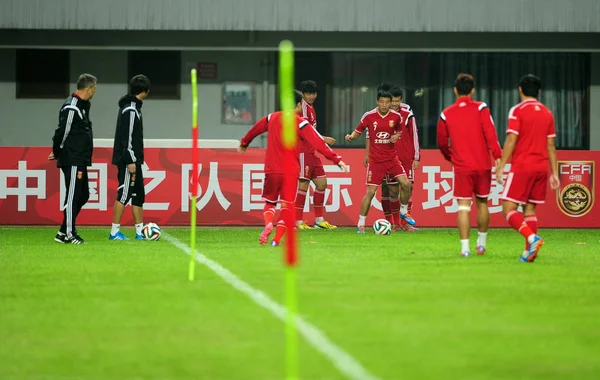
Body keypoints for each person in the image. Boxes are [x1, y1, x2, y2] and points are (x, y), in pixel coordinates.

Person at [238, 91, 348, 246]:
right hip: (291, 171)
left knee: (270, 202)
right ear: (298, 105)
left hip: (272, 169)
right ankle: (276, 240)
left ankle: (268, 223)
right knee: (287, 206)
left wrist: (244, 143)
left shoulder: (272, 118)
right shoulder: (300, 122)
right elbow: (318, 143)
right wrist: (337, 160)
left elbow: (255, 130)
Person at [437, 73, 502, 257]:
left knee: (463, 206)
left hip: (462, 166)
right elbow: (491, 134)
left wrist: (451, 157)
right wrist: (497, 156)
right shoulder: (481, 108)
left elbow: (441, 142)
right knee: (483, 203)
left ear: (455, 90)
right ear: (473, 90)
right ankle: (481, 245)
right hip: (482, 164)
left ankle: (465, 249)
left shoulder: (446, 114)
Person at [496, 74, 559, 262]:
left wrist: (501, 166)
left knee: (507, 207)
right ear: (538, 92)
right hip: (541, 168)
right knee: (529, 211)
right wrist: (554, 173)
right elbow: (550, 146)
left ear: (520, 90)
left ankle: (532, 239)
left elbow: (511, 140)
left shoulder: (517, 110)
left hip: (523, 165)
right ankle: (528, 253)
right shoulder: (547, 113)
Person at [346, 90, 416, 233]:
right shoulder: (369, 116)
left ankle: (403, 211)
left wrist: (396, 136)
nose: (384, 105)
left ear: (391, 103)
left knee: (406, 184)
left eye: (387, 102)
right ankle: (361, 224)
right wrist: (351, 137)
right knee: (370, 192)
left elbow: (399, 130)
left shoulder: (396, 117)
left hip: (392, 159)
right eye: (382, 102)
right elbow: (358, 130)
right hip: (376, 162)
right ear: (377, 102)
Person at [50, 73, 97, 244]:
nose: (95, 92)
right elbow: (62, 132)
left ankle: (63, 232)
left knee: (83, 195)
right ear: (89, 88)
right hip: (73, 158)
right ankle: (70, 234)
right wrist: (57, 151)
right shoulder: (72, 107)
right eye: (94, 88)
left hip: (81, 158)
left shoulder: (83, 106)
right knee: (73, 196)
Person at [109, 74, 151, 240]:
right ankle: (114, 231)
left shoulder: (134, 108)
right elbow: (126, 138)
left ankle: (139, 232)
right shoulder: (131, 110)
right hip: (129, 160)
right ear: (144, 91)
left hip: (135, 160)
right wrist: (130, 160)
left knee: (138, 195)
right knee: (124, 194)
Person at [295, 80, 338, 230]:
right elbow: (306, 132)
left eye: (313, 93)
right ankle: (297, 222)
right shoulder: (303, 108)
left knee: (322, 184)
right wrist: (324, 139)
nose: (311, 96)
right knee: (303, 185)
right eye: (308, 93)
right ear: (303, 94)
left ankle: (319, 220)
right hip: (303, 151)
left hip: (312, 152)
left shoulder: (311, 108)